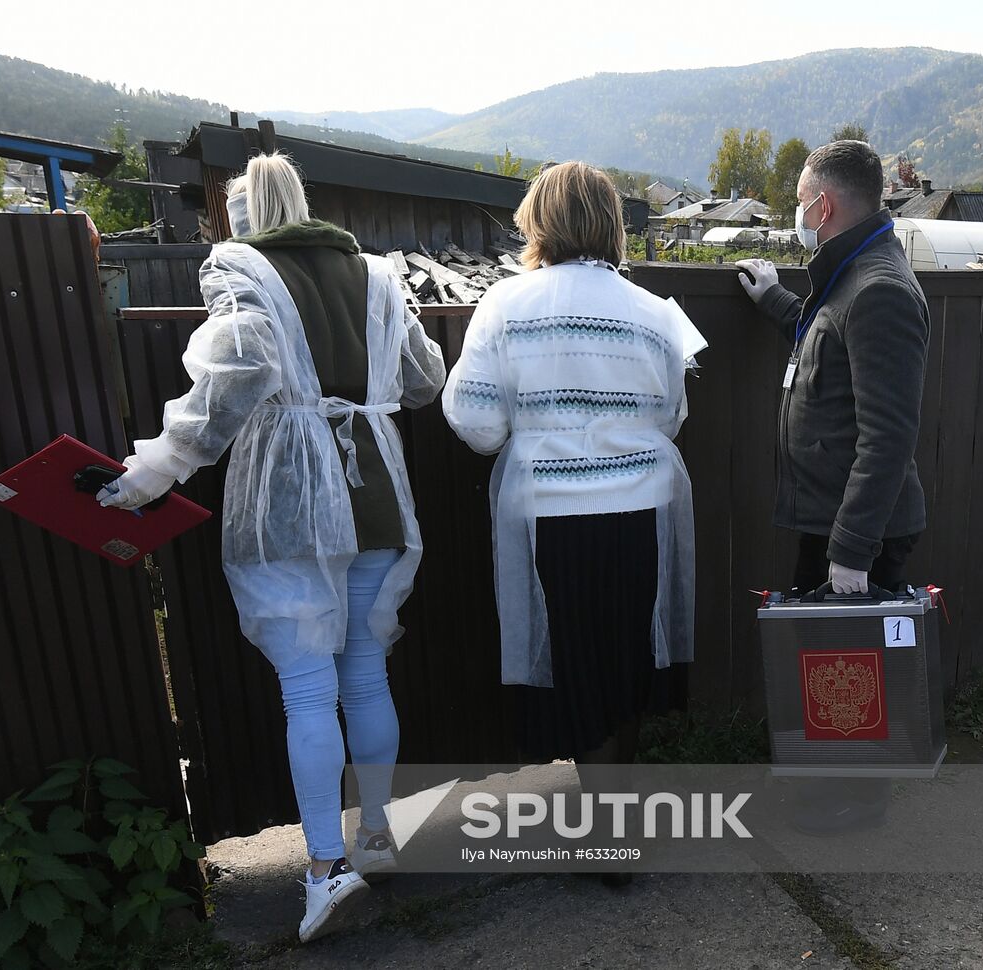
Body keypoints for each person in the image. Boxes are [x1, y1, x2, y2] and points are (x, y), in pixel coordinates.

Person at [96, 153, 446, 941]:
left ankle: (323, 870)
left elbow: (231, 378)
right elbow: (424, 380)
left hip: (289, 506)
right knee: (365, 674)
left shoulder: (241, 269)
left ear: (242, 213)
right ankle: (379, 839)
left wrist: (151, 471)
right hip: (377, 501)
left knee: (307, 693)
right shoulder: (379, 276)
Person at [442, 161, 696, 884]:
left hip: (555, 515)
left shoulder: (506, 305)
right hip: (643, 510)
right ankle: (622, 830)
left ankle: (609, 843)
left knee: (578, 664)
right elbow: (673, 417)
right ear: (612, 224)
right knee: (626, 656)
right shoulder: (655, 310)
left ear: (539, 223)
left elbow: (478, 423)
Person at [736, 140, 930, 833]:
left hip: (855, 530)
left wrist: (850, 550)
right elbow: (828, 348)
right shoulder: (849, 274)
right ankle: (830, 793)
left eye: (798, 199)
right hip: (834, 520)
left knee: (852, 674)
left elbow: (887, 437)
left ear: (824, 204)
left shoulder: (878, 289)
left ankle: (852, 806)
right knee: (831, 667)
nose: (794, 212)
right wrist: (779, 304)